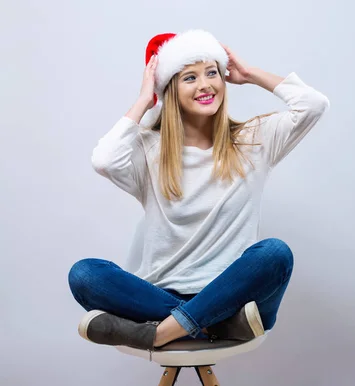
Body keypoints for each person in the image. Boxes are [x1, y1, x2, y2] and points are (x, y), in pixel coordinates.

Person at [67, 29, 330, 355]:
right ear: (170, 90)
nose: (205, 84)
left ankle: (160, 333)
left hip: (235, 298)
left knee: (274, 254)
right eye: (189, 77)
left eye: (212, 73)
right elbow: (104, 160)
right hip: (164, 295)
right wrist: (143, 99)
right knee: (85, 274)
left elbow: (313, 105)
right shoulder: (150, 152)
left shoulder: (254, 139)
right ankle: (207, 326)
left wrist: (249, 74)